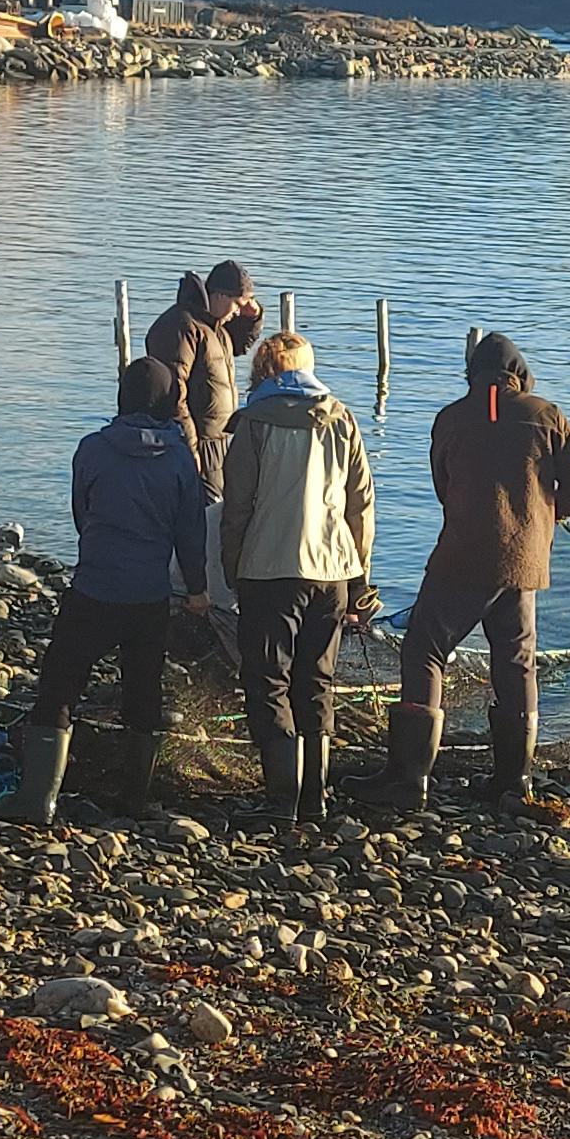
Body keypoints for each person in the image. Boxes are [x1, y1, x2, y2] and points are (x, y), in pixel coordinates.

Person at [367, 332, 570, 812]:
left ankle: (411, 780)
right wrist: (546, 517)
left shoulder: (450, 418)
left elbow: (442, 486)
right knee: (516, 660)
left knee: (425, 649)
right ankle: (514, 781)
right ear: (520, 374)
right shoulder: (546, 415)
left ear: (473, 375)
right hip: (524, 562)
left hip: (462, 556)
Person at [7, 359, 210, 823]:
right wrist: (197, 590)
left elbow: (82, 513)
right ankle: (134, 801)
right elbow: (190, 534)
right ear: (165, 404)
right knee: (143, 695)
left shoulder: (92, 449)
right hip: (149, 596)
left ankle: (38, 800)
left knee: (59, 688)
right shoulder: (181, 458)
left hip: (95, 588)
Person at [221, 332, 375, 826]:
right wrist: (359, 580)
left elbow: (237, 504)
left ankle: (282, 799)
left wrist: (232, 568)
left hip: (268, 568)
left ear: (262, 372)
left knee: (268, 680)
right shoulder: (342, 417)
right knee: (316, 680)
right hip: (331, 569)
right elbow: (361, 506)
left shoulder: (252, 423)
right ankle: (316, 798)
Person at [145, 260, 263, 605]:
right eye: (237, 303)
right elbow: (173, 391)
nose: (239, 312)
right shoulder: (182, 326)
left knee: (213, 519)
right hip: (197, 443)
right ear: (220, 294)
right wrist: (189, 444)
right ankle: (194, 593)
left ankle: (204, 591)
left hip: (218, 442)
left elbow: (238, 344)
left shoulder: (215, 327)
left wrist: (253, 317)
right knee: (204, 522)